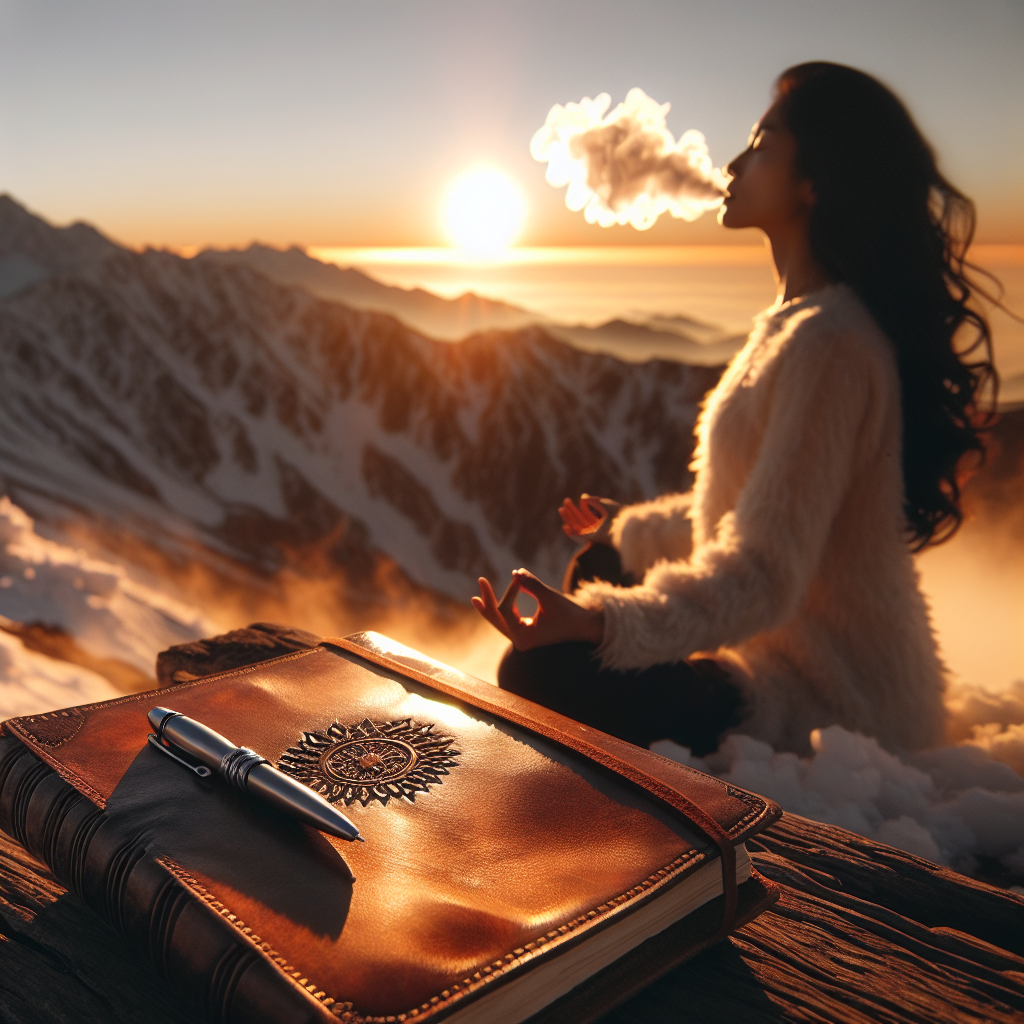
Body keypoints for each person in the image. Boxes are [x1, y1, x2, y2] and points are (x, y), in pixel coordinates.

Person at [472, 62, 998, 757]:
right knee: (601, 563)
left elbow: (763, 571)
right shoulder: (797, 324)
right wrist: (626, 527)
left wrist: (601, 625)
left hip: (835, 697)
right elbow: (750, 510)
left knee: (540, 670)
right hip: (786, 648)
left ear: (814, 184)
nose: (733, 164)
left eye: (763, 147)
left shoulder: (831, 345)